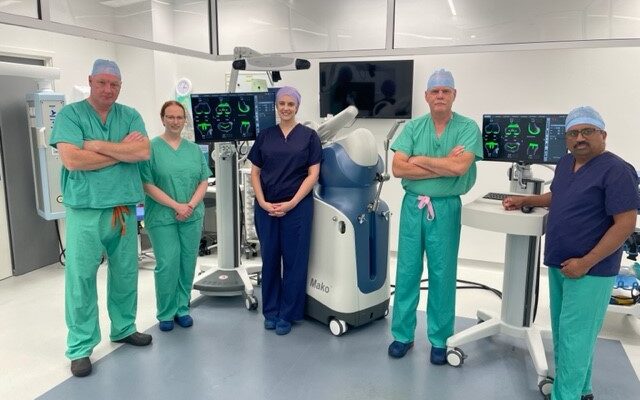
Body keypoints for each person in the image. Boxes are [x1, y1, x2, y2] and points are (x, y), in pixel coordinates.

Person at [502, 106, 639, 400]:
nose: (580, 138)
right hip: (561, 263)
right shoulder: (565, 163)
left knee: (575, 337)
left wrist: (586, 262)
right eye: (573, 133)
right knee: (568, 335)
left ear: (602, 134)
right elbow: (560, 195)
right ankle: (581, 390)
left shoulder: (617, 170)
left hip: (591, 269)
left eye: (587, 131)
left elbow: (626, 224)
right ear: (566, 139)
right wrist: (528, 198)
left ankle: (566, 395)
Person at [50, 59, 152, 378]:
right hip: (86, 210)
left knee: (125, 273)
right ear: (91, 80)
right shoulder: (71, 115)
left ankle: (123, 327)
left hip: (121, 209)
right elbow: (72, 159)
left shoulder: (131, 115)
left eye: (115, 85)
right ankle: (80, 347)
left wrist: (96, 147)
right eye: (103, 83)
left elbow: (143, 153)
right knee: (80, 279)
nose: (108, 90)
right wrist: (120, 150)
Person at [388, 69, 482, 364]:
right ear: (426, 96)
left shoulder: (468, 128)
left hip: (446, 207)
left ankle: (440, 338)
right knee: (406, 271)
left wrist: (421, 160)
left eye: (445, 90)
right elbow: (398, 169)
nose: (440, 95)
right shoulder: (414, 128)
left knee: (443, 274)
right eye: (435, 91)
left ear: (454, 95)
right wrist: (444, 164)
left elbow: (459, 169)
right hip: (413, 206)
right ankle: (402, 335)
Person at [248, 86, 322, 335]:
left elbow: (313, 175)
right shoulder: (266, 136)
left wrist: (292, 203)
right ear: (276, 107)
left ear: (297, 107)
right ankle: (270, 311)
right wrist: (262, 201)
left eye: (291, 104)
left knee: (294, 261)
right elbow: (255, 173)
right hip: (266, 208)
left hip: (298, 207)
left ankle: (288, 314)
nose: (286, 108)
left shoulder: (309, 136)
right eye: (282, 104)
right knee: (269, 259)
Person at [139, 101, 212, 332]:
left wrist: (189, 205)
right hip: (162, 215)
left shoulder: (193, 149)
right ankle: (166, 312)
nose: (175, 121)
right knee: (168, 263)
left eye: (179, 117)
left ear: (185, 120)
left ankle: (182, 307)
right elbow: (147, 184)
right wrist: (176, 206)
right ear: (162, 119)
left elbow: (203, 179)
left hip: (191, 214)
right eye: (170, 117)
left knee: (187, 262)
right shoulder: (150, 149)